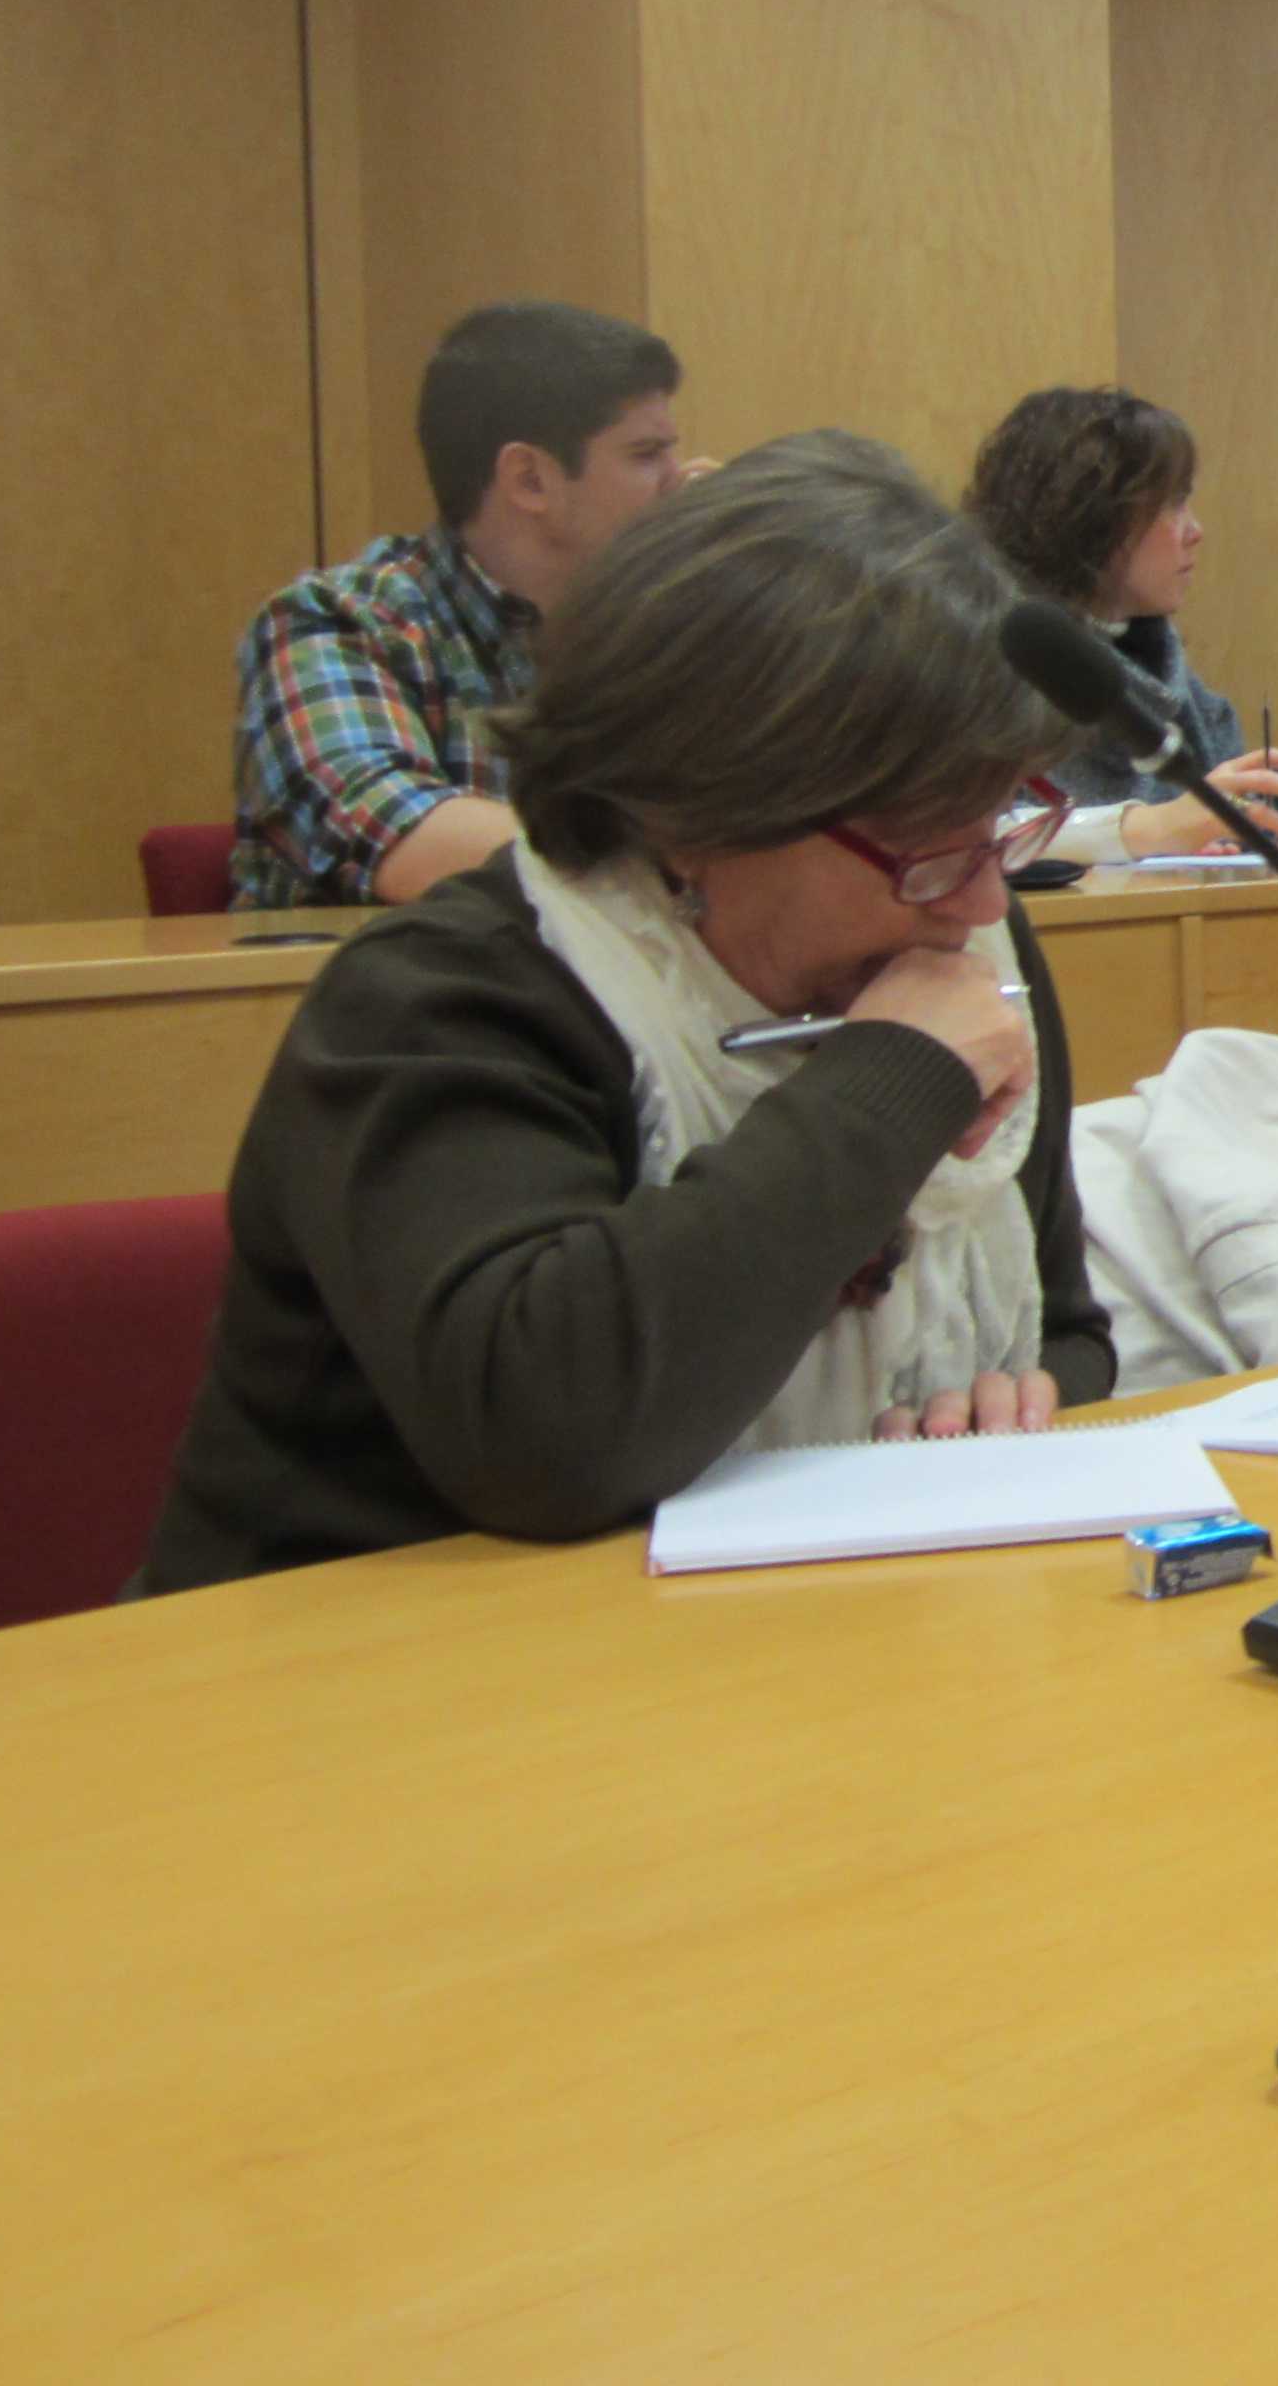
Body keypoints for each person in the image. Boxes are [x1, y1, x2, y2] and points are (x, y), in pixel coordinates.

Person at [136, 433, 1116, 1594]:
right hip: (363, 1656)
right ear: (695, 808)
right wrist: (891, 1077)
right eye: (922, 851)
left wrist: (1013, 1403)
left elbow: (1067, 1327)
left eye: (997, 826)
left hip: (792, 1635)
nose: (984, 899)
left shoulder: (967, 937)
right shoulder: (441, 1001)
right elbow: (550, 1439)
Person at [229, 300, 692, 908]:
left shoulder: (662, 622)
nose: (680, 480)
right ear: (529, 479)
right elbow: (405, 839)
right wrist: (687, 860)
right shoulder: (337, 622)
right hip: (411, 968)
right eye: (646, 454)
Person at [961, 384, 1278, 855]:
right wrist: (1148, 830)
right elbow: (961, 839)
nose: (1195, 531)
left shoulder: (1181, 688)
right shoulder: (982, 669)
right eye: (1174, 503)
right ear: (1094, 515)